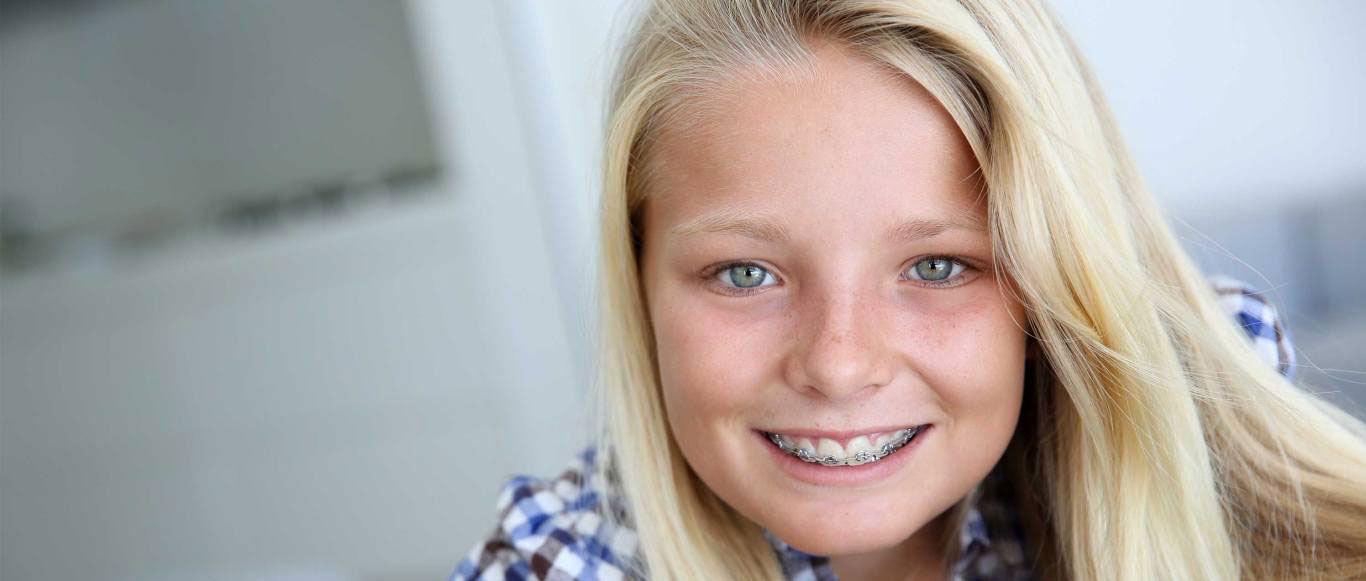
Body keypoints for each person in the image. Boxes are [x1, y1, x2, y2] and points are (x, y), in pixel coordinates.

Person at [453, 1, 1366, 579]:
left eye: (937, 266)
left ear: (1053, 281)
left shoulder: (1219, 446)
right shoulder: (564, 558)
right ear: (640, 273)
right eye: (745, 272)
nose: (840, 364)